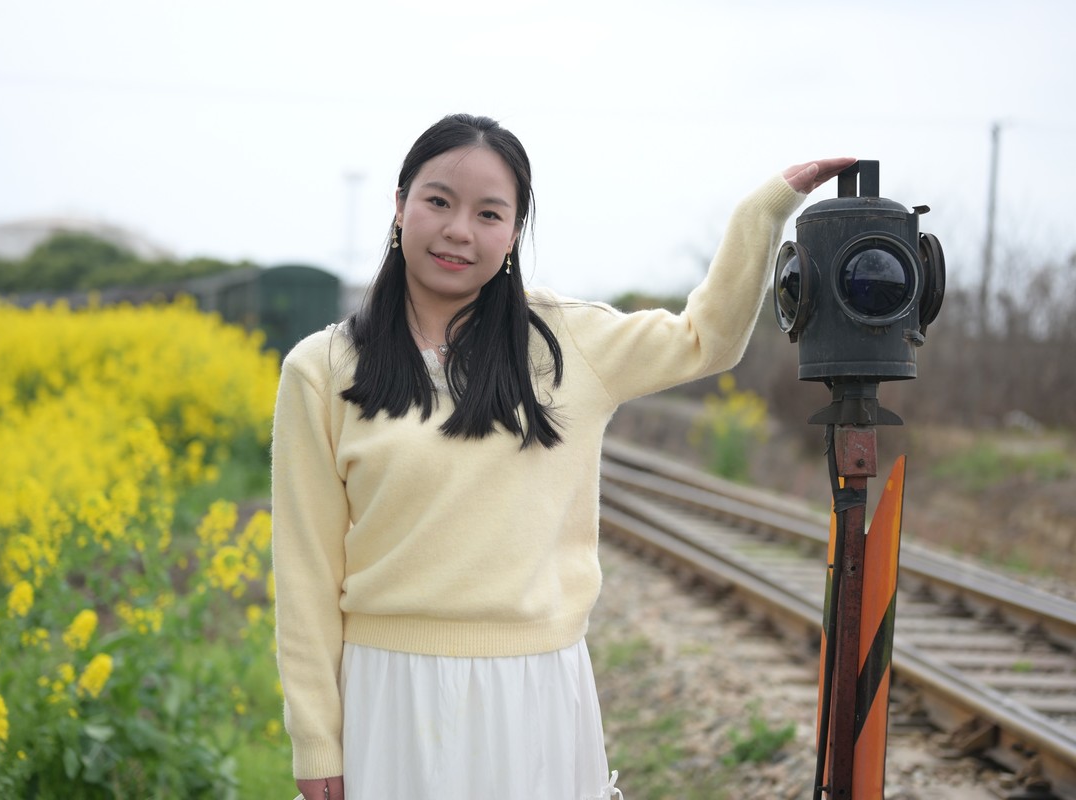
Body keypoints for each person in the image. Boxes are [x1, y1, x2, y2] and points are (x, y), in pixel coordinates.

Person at [270, 112, 854, 800]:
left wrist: (764, 211)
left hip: (538, 690)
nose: (460, 230)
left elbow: (709, 339)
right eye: (438, 202)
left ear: (514, 232)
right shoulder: (322, 369)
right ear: (400, 208)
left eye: (490, 213)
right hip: (390, 694)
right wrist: (316, 744)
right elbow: (305, 574)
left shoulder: (567, 344)